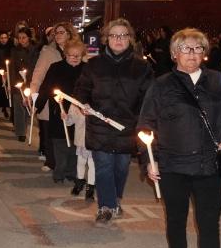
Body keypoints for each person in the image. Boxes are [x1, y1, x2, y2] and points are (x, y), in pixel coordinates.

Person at [138, 28, 221, 248]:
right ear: (174, 54)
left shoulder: (218, 83)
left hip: (209, 166)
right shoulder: (161, 86)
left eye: (198, 49)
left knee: (209, 224)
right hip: (173, 164)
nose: (193, 54)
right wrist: (148, 161)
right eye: (186, 49)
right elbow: (145, 126)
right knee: (176, 220)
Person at [74, 18, 153, 225]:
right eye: (114, 35)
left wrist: (142, 121)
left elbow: (148, 97)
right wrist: (84, 104)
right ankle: (106, 207)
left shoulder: (142, 67)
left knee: (121, 167)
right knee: (103, 166)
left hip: (127, 127)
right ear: (106, 39)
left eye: (123, 35)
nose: (119, 39)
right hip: (100, 125)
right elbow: (81, 90)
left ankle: (115, 199)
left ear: (130, 39)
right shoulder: (93, 65)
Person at [37, 39, 87, 183]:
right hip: (59, 111)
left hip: (78, 114)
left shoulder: (86, 69)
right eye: (71, 55)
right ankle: (59, 172)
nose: (74, 58)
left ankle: (71, 172)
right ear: (65, 54)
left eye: (78, 55)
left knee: (75, 144)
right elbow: (46, 87)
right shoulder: (56, 67)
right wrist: (38, 104)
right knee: (60, 144)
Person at [31, 23, 79, 166]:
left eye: (61, 32)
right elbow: (38, 74)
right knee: (50, 129)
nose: (57, 35)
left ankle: (70, 164)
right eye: (56, 33)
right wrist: (34, 95)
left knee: (71, 131)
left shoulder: (78, 50)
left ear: (69, 34)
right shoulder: (48, 51)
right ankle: (51, 161)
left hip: (72, 97)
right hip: (50, 96)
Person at [10, 28, 39, 141]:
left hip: (31, 82)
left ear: (29, 37)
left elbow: (35, 66)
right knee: (19, 107)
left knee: (27, 106)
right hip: (19, 83)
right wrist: (12, 83)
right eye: (20, 38)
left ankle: (25, 128)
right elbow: (12, 67)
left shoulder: (35, 50)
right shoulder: (15, 51)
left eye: (24, 37)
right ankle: (21, 132)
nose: (22, 40)